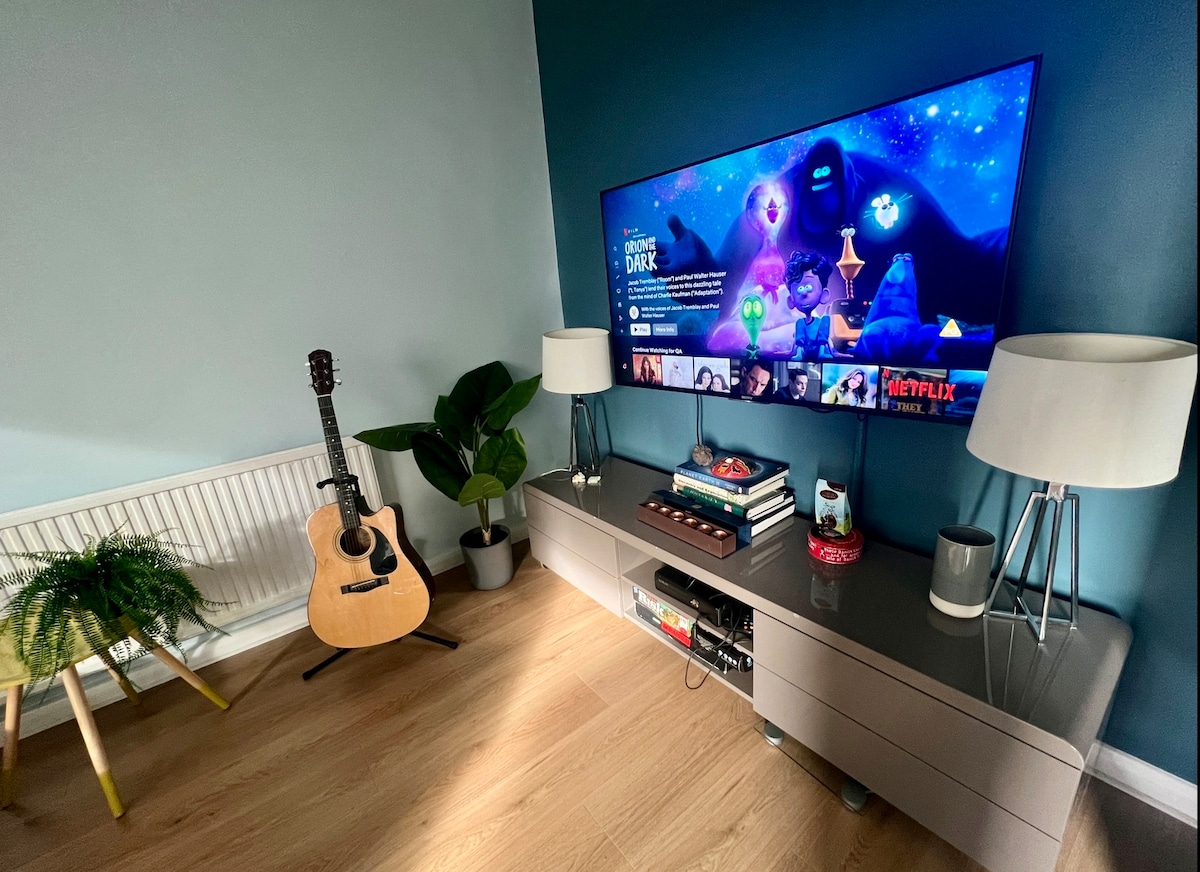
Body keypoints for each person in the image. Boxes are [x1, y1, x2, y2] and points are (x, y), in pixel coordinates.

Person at [784, 250, 833, 360]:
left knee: (826, 319)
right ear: (791, 300)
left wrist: (834, 353)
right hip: (804, 353)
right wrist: (790, 352)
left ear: (824, 295)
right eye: (799, 289)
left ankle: (821, 353)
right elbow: (796, 339)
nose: (804, 293)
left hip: (818, 352)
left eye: (808, 287)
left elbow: (827, 340)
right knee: (800, 322)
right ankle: (799, 354)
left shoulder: (822, 322)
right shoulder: (800, 323)